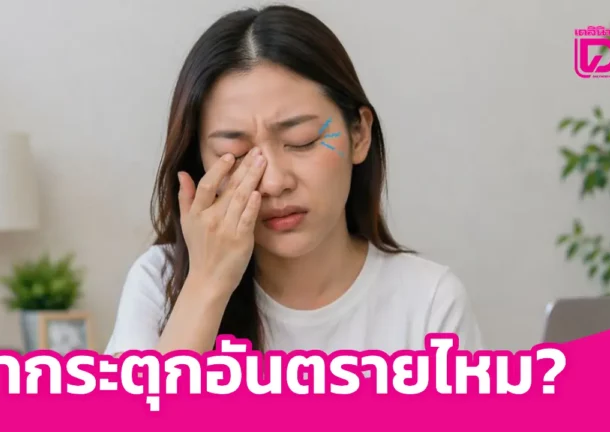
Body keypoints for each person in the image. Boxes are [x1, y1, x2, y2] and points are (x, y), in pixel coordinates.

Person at [105, 4, 483, 355]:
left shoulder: (429, 300)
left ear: (359, 134)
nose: (273, 183)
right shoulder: (161, 282)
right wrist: (207, 284)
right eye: (234, 154)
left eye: (302, 141)